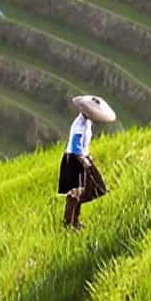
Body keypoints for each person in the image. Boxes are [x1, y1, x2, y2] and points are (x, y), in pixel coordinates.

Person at [59, 95, 115, 229]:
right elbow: (75, 145)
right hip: (74, 160)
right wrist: (84, 161)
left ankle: (72, 220)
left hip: (82, 158)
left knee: (97, 188)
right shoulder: (79, 125)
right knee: (76, 192)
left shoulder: (87, 123)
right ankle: (70, 223)